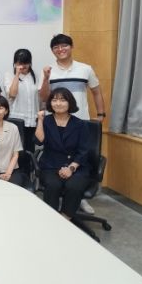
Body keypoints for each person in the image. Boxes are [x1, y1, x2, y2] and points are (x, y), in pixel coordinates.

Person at [39, 33, 105, 214]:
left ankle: (79, 199)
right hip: (56, 121)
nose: (60, 49)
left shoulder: (85, 69)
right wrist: (45, 78)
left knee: (81, 156)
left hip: (81, 120)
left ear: (71, 47)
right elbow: (44, 97)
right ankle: (60, 205)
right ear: (52, 51)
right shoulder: (49, 70)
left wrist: (100, 115)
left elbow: (96, 92)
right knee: (57, 155)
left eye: (64, 46)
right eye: (56, 47)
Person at [35, 88, 91, 221]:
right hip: (51, 165)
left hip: (76, 165)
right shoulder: (46, 121)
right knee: (53, 185)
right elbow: (39, 140)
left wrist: (71, 168)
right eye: (54, 100)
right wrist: (40, 120)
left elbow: (84, 150)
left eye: (62, 100)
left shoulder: (80, 124)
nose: (58, 103)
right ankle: (51, 218)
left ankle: (66, 218)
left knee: (74, 186)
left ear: (69, 102)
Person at [3, 49, 40, 152]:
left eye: (25, 63)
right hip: (15, 119)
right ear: (15, 63)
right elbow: (12, 94)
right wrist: (17, 74)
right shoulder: (9, 75)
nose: (22, 66)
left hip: (32, 120)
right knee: (15, 150)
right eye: (19, 63)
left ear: (30, 63)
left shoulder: (36, 75)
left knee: (29, 149)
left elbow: (40, 98)